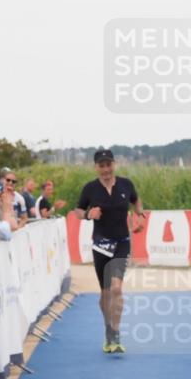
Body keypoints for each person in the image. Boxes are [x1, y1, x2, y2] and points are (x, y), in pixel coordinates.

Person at [72, 148, 145, 353]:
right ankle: (107, 329)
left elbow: (135, 200)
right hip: (101, 245)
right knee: (105, 292)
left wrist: (140, 215)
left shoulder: (125, 184)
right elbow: (77, 211)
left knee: (116, 288)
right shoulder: (90, 189)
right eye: (101, 165)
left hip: (122, 242)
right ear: (96, 167)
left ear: (114, 164)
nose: (105, 169)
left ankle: (116, 330)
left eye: (108, 164)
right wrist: (88, 214)